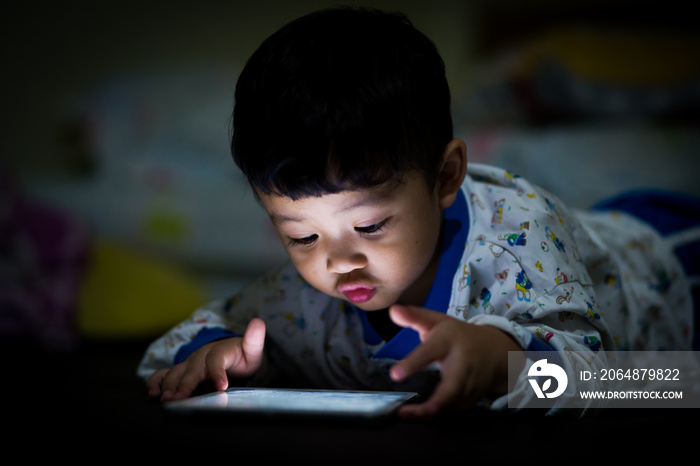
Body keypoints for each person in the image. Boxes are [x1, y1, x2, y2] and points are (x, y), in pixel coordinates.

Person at [137, 6, 696, 417]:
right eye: (301, 237)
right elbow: (182, 342)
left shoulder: (519, 239)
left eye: (370, 225)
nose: (338, 262)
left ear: (446, 177)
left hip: (672, 266)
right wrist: (210, 353)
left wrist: (501, 363)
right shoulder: (302, 300)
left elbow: (617, 381)